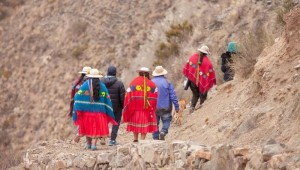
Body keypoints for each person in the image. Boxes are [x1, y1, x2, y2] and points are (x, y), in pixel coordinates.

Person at [72, 69, 117, 150]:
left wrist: (81, 107)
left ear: (89, 76)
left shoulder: (85, 85)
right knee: (96, 128)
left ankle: (88, 144)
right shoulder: (102, 86)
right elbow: (107, 99)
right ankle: (93, 145)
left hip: (87, 113)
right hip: (99, 113)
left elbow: (77, 97)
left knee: (88, 128)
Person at [122, 67, 158, 142]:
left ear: (139, 73)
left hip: (135, 108)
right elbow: (155, 97)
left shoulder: (133, 82)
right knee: (145, 123)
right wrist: (151, 107)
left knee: (135, 123)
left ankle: (135, 139)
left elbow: (128, 95)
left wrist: (129, 105)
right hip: (147, 110)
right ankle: (142, 140)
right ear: (148, 74)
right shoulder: (152, 85)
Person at [183, 45, 216, 114]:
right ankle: (202, 110)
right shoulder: (208, 62)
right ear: (206, 53)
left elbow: (187, 67)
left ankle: (192, 108)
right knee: (203, 95)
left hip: (192, 82)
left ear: (200, 51)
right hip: (202, 82)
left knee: (195, 95)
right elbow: (211, 73)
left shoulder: (192, 57)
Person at [151, 66, 180, 140]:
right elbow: (173, 96)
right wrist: (176, 107)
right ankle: (163, 131)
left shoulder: (151, 82)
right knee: (166, 120)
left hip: (153, 107)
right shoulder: (167, 82)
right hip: (166, 107)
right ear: (163, 73)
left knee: (154, 123)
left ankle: (155, 138)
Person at [102, 66, 125, 146]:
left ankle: (102, 137)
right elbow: (122, 98)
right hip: (116, 107)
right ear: (115, 73)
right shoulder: (119, 83)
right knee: (116, 123)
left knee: (104, 121)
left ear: (107, 72)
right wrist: (122, 107)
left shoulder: (101, 82)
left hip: (104, 106)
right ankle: (112, 140)